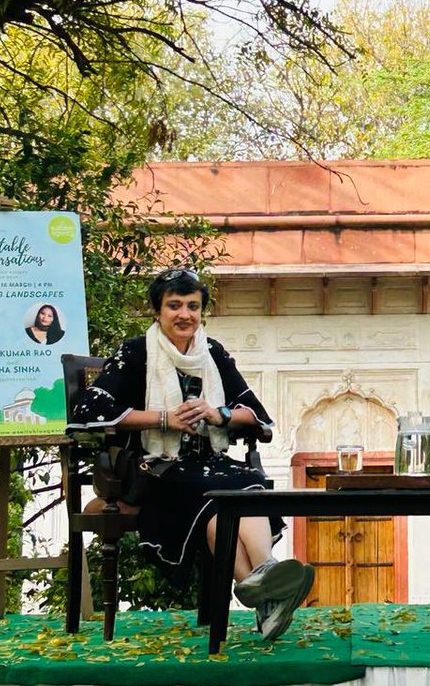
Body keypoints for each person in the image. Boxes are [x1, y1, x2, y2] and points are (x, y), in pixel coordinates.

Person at [68, 267, 314, 639]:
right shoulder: (136, 353)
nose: (184, 314)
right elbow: (90, 412)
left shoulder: (211, 353)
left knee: (240, 488)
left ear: (202, 311)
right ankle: (268, 586)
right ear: (157, 310)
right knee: (214, 492)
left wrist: (220, 414)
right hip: (156, 468)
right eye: (174, 305)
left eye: (193, 306)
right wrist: (163, 418)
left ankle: (262, 583)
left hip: (209, 464)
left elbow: (257, 415)